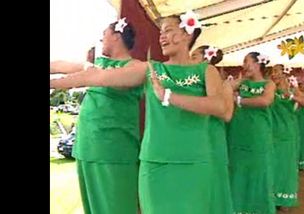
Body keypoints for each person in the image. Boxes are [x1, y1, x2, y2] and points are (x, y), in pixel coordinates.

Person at [51, 10, 230, 214]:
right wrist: (53, 83)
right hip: (154, 160)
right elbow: (96, 78)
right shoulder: (150, 69)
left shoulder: (206, 71)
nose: (162, 36)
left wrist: (169, 96)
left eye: (168, 30)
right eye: (161, 32)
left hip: (194, 159)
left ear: (187, 34)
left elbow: (221, 108)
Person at [50, 18, 142, 214]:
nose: (101, 42)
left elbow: (96, 78)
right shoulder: (98, 64)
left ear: (117, 36)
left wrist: (55, 84)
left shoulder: (137, 67)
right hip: (87, 147)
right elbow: (60, 65)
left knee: (117, 207)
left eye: (104, 37)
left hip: (114, 150)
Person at [226, 52, 276, 214]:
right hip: (238, 133)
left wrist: (239, 100)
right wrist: (236, 82)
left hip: (258, 135)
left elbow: (265, 101)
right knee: (238, 169)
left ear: (257, 64)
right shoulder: (242, 82)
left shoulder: (269, 84)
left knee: (257, 171)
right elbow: (223, 89)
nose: (244, 65)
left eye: (247, 62)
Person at [191, 45, 234, 213]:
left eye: (194, 56)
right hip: (194, 134)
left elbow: (227, 115)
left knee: (213, 180)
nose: (190, 59)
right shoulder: (191, 83)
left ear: (205, 59)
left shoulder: (223, 86)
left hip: (212, 137)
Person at [269, 64, 304, 212]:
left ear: (284, 73)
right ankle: (272, 198)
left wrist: (293, 96)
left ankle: (285, 199)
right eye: (272, 71)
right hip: (271, 134)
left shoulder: (293, 90)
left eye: (276, 71)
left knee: (286, 168)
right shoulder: (269, 89)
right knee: (272, 166)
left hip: (287, 135)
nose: (273, 74)